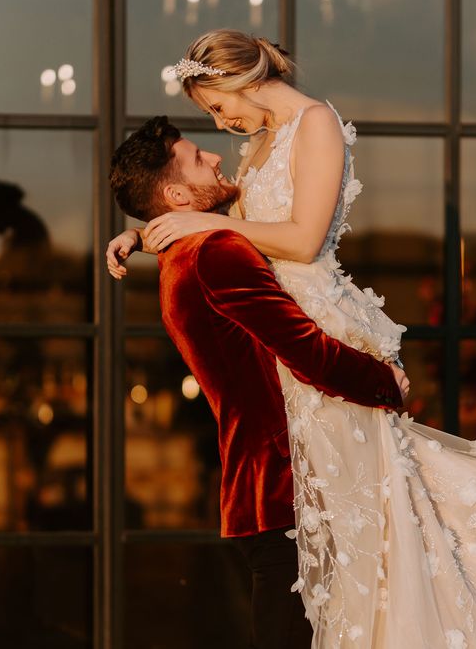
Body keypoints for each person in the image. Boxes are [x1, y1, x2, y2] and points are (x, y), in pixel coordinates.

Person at [106, 30, 476, 648]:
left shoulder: (315, 122)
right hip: (298, 374)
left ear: (242, 78)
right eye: (211, 117)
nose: (222, 123)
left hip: (322, 343)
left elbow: (299, 239)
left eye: (218, 105)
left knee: (393, 526)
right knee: (356, 544)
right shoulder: (259, 146)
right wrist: (144, 234)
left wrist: (202, 219)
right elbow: (224, 228)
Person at [109, 116, 409, 649]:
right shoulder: (215, 254)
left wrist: (140, 232)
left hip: (261, 488)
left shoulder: (184, 254)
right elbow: (306, 353)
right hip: (283, 487)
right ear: (177, 195)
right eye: (199, 159)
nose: (218, 156)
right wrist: (385, 380)